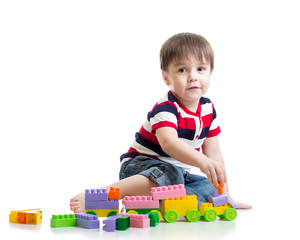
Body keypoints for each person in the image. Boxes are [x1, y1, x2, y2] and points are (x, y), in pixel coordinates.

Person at [70, 33, 252, 213]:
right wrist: (202, 162)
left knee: (208, 191)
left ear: (210, 72)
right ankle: (101, 195)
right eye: (182, 70)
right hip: (140, 167)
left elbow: (214, 155)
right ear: (166, 78)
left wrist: (225, 194)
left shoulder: (208, 109)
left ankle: (147, 203)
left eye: (200, 69)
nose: (193, 77)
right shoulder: (166, 108)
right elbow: (169, 143)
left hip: (177, 176)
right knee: (171, 175)